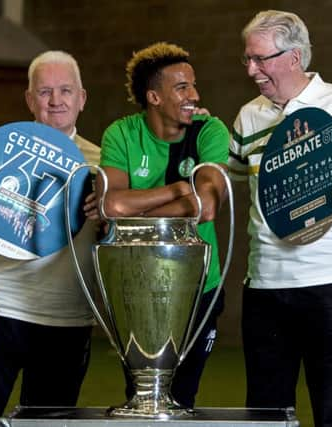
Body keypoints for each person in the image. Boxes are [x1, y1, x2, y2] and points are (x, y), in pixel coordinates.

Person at [228, 10, 332, 427]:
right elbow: (225, 181)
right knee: (265, 413)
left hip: (327, 287)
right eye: (247, 59)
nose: (252, 69)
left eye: (261, 59)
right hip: (263, 288)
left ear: (294, 57)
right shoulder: (248, 117)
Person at [0, 50, 100, 427]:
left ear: (82, 98)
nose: (55, 100)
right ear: (30, 99)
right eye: (44, 91)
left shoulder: (103, 165)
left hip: (68, 320)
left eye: (65, 90)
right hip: (2, 308)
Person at [98, 42, 229, 408]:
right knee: (140, 396)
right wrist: (177, 188)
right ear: (154, 96)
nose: (194, 95)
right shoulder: (122, 133)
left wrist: (133, 211)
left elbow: (205, 207)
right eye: (182, 87)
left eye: (193, 85)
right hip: (136, 282)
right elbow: (111, 204)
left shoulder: (209, 130)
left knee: (182, 397)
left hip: (201, 283)